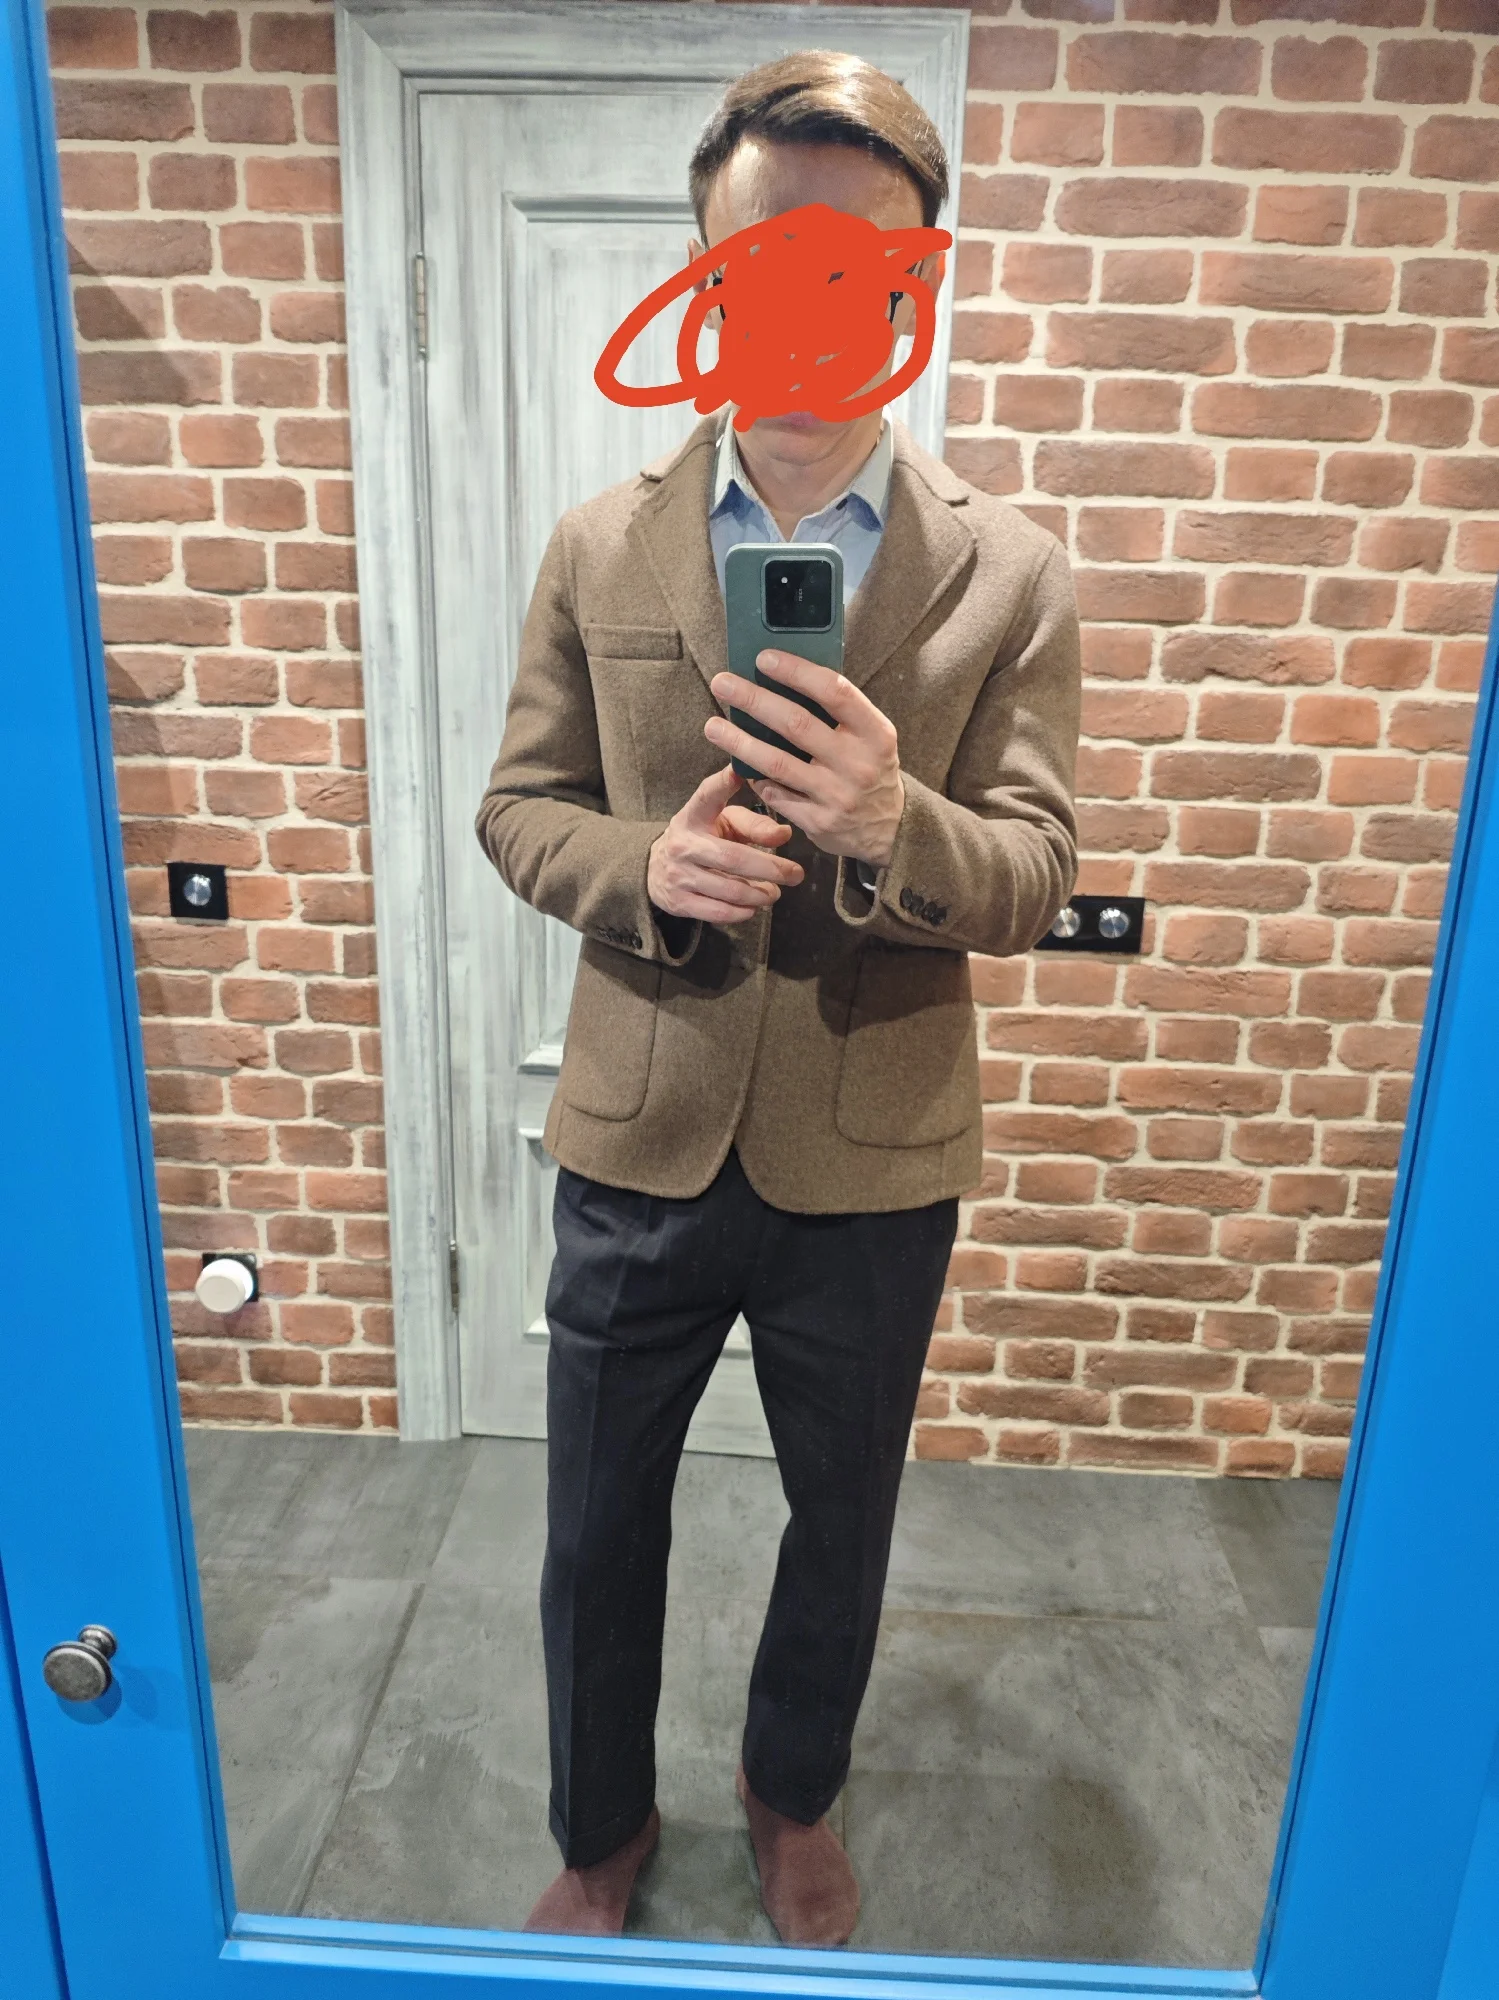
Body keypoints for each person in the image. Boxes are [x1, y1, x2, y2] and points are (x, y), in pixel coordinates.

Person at [475, 49, 1081, 1949]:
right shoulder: (600, 543)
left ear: (916, 286)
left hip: (874, 1141)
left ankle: (786, 1791)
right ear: (702, 273)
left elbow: (1035, 873)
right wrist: (644, 872)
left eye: (856, 268)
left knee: (844, 1515)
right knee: (596, 1523)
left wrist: (895, 821)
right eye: (766, 264)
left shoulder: (1008, 573)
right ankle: (599, 1824)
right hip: (637, 1123)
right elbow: (517, 809)